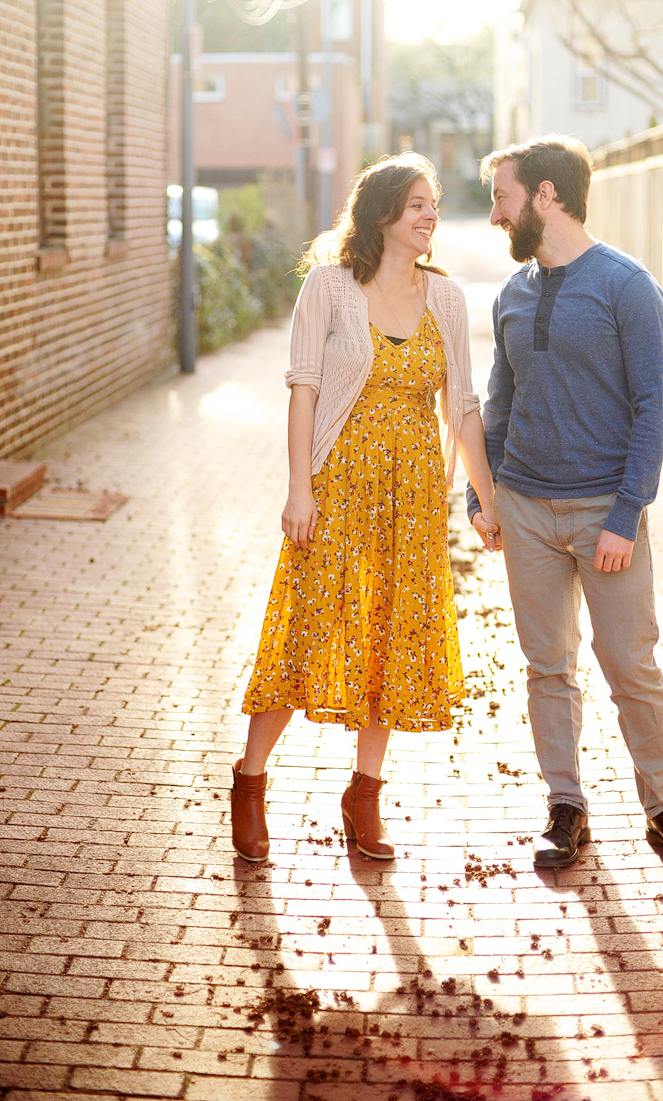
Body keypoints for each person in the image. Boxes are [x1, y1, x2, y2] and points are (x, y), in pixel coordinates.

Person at [232, 154, 498, 863]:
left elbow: (463, 407)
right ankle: (250, 781)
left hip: (411, 502)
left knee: (388, 638)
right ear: (381, 213)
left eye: (434, 203)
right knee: (304, 632)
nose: (430, 215)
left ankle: (364, 794)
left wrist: (487, 499)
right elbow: (305, 389)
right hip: (338, 489)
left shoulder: (446, 298)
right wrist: (299, 488)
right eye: (417, 203)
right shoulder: (330, 287)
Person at [467, 135, 663, 870]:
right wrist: (483, 497)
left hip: (605, 509)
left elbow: (654, 408)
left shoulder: (627, 286)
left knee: (630, 663)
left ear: (546, 196)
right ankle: (565, 805)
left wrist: (624, 512)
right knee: (547, 666)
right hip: (527, 510)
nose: (494, 215)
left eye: (502, 197)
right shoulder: (511, 293)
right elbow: (499, 404)